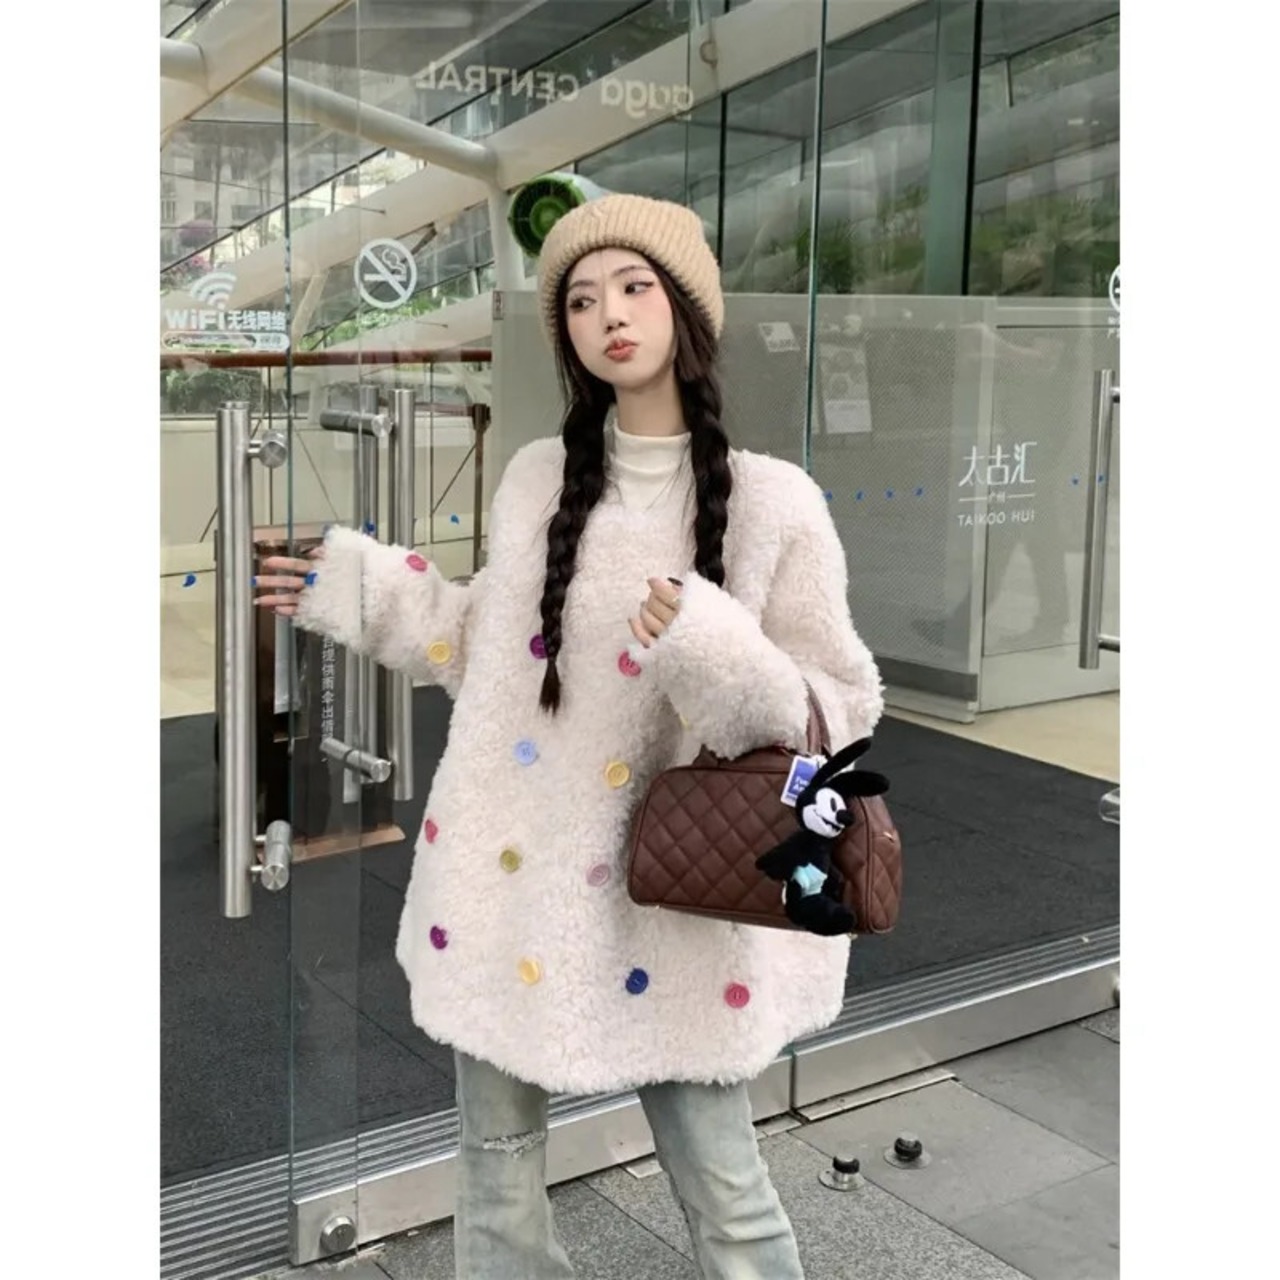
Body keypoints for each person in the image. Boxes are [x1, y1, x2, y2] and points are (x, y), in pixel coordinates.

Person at [255, 193, 885, 1280]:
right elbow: (483, 648)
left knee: (721, 1182)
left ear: (686, 308)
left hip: (678, 890)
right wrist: (357, 585)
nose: (610, 316)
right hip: (517, 873)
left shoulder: (774, 503)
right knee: (494, 1167)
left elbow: (837, 705)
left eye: (634, 288)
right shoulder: (537, 479)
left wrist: (707, 644)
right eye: (582, 302)